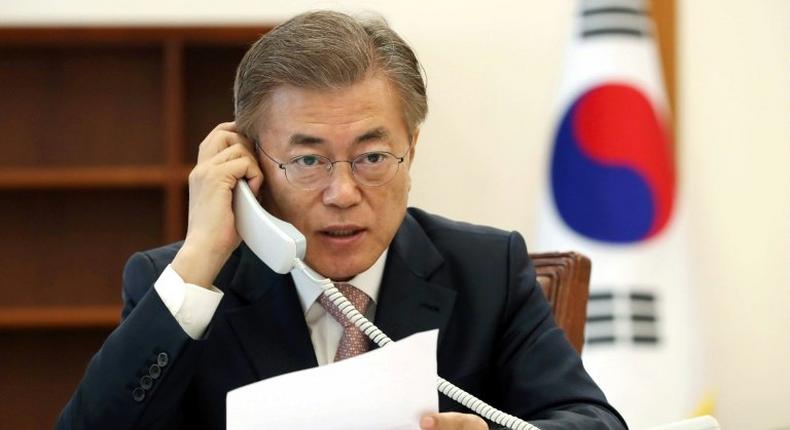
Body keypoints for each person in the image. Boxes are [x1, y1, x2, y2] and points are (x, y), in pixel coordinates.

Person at [57, 10, 627, 430]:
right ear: (251, 160)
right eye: (307, 160)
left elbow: (592, 420)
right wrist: (202, 256)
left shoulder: (486, 269)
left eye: (373, 157)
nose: (343, 192)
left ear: (413, 149)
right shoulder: (188, 284)